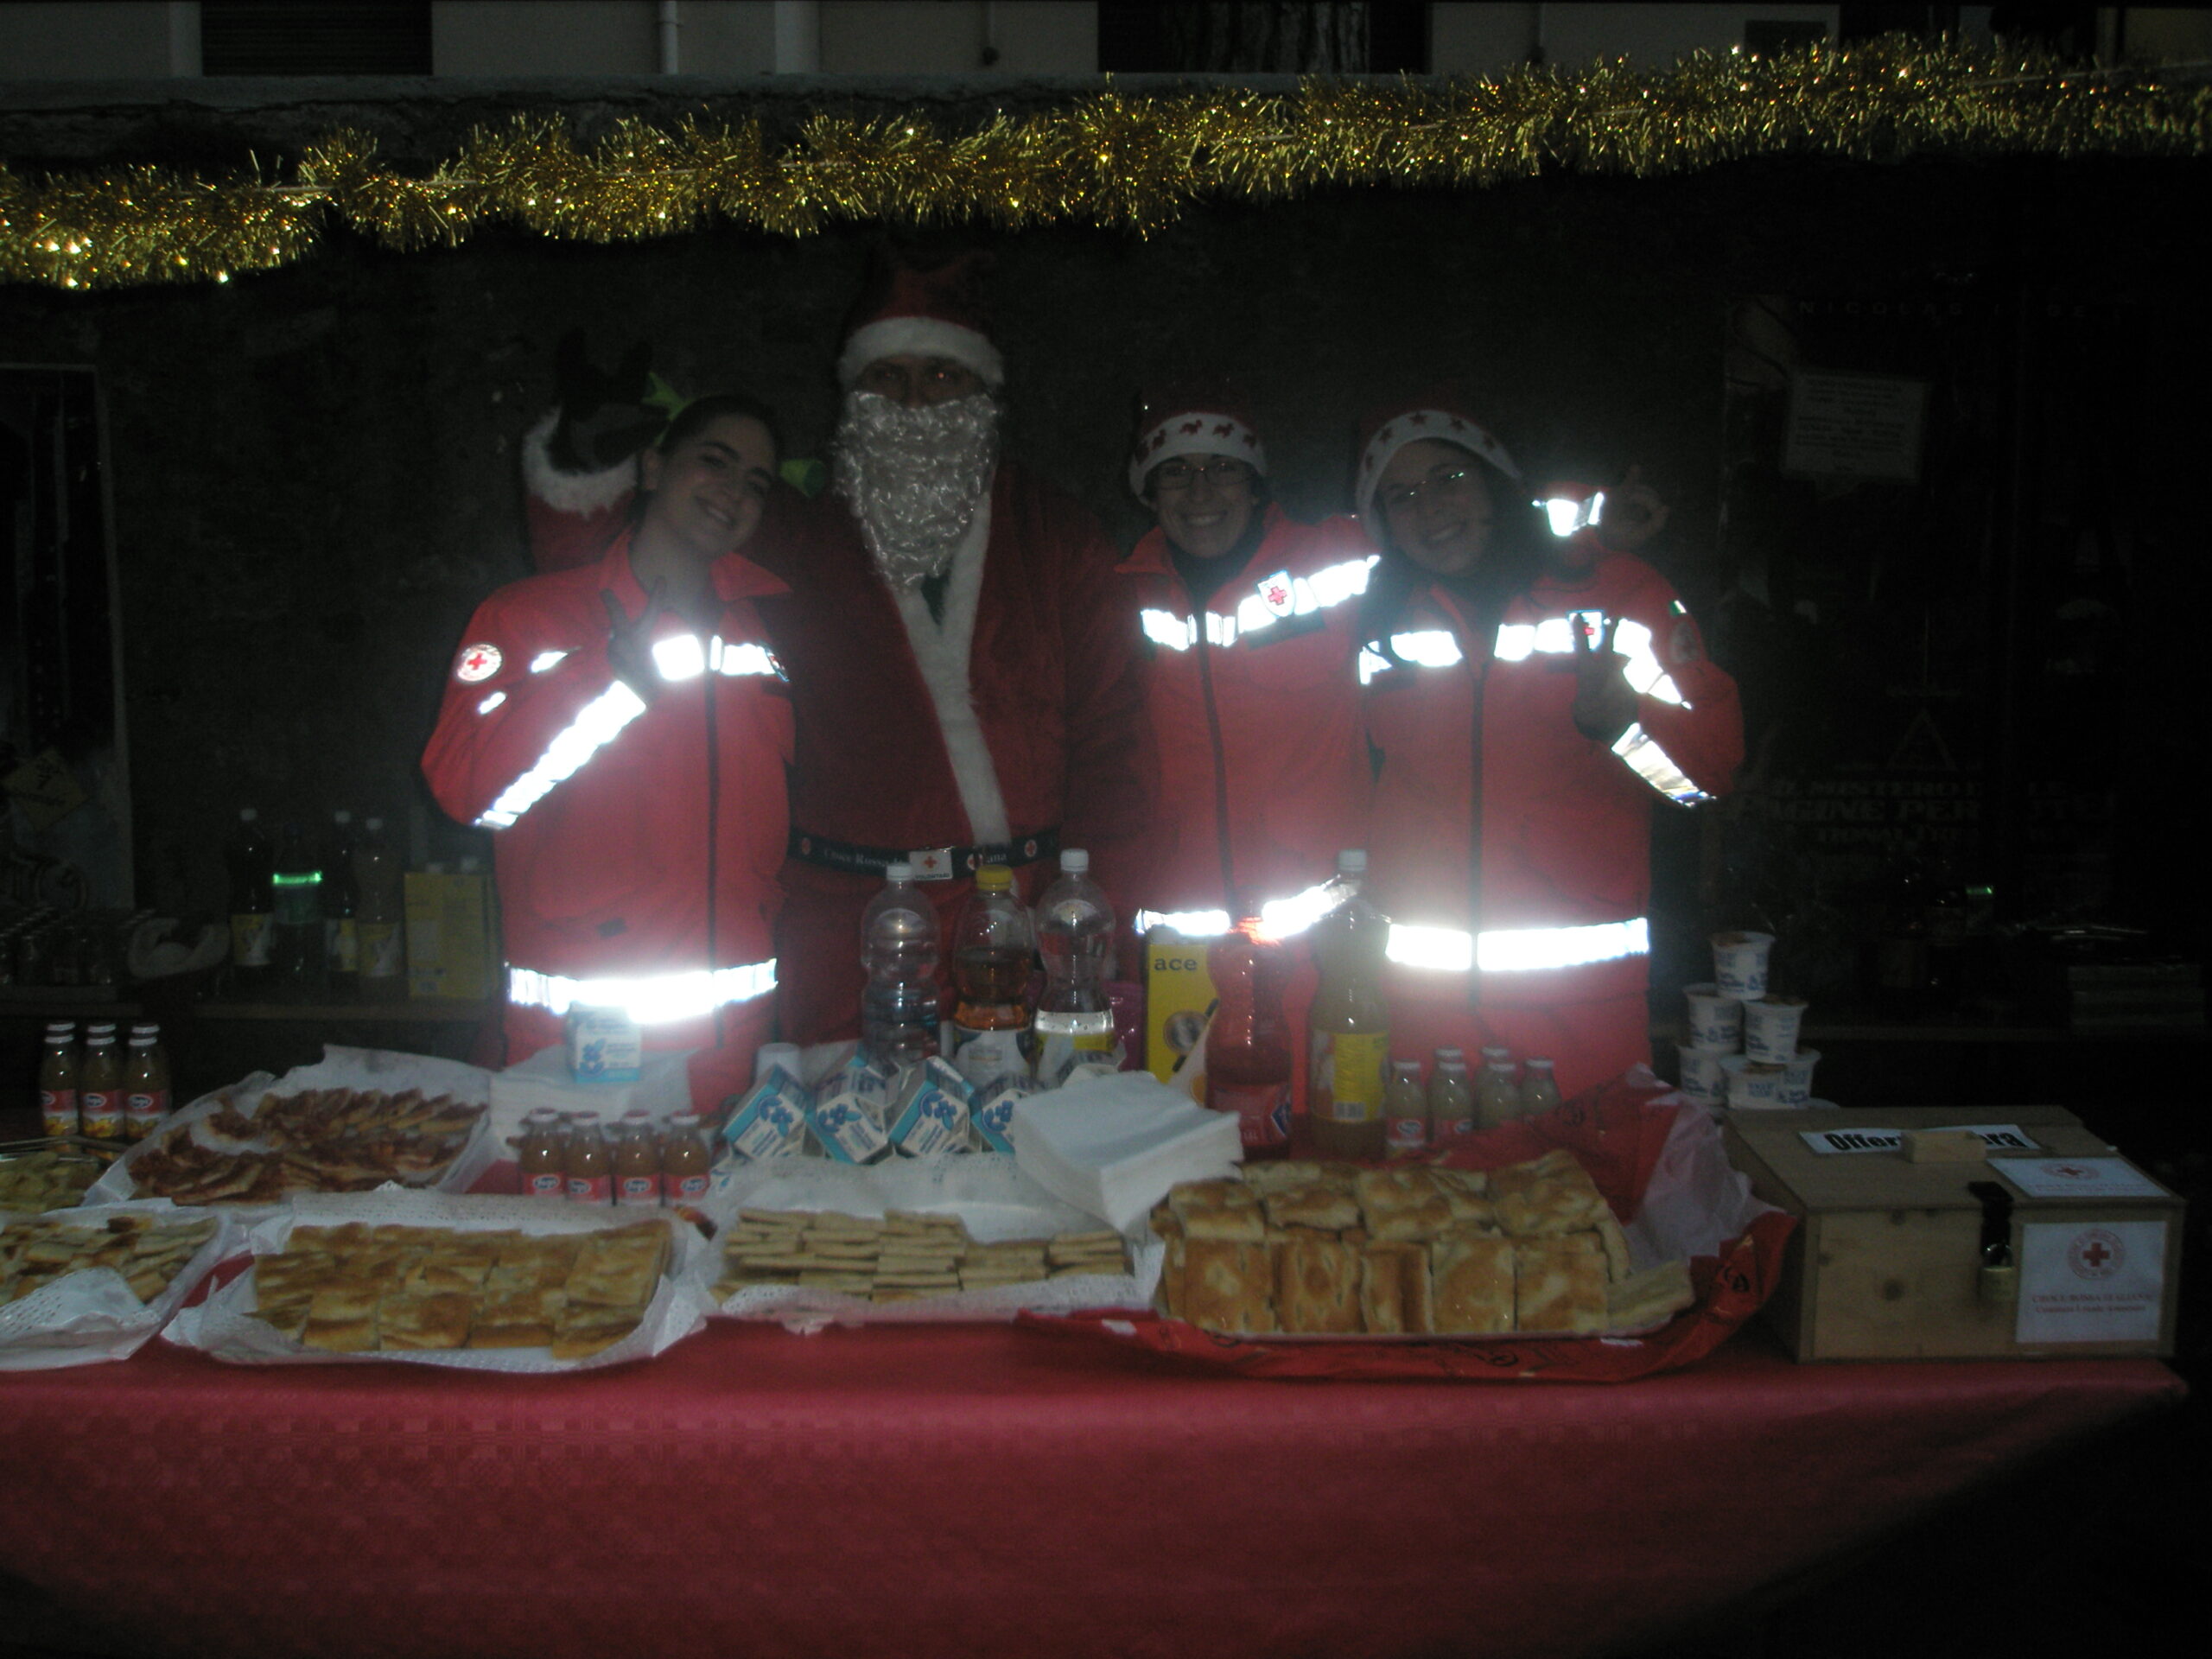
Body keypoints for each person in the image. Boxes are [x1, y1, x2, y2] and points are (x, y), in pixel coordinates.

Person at [520, 252, 1150, 1047]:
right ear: (853, 398)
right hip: (847, 932)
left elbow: (1114, 741)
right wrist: (589, 461)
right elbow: (615, 566)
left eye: (941, 378)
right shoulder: (793, 532)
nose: (913, 401)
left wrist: (1100, 920)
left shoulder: (1056, 537)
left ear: (984, 396)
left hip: (1014, 926)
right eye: (887, 378)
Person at [1351, 392, 1743, 1098]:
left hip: (1578, 1027)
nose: (1431, 508)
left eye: (1450, 477)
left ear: (1496, 482)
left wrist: (1623, 724)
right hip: (1415, 1022)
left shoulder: (1618, 596)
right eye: (1402, 495)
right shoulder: (1377, 627)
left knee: (1585, 1207)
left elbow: (1705, 778)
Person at [423, 392, 792, 1111]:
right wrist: (609, 679)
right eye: (714, 462)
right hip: (581, 1049)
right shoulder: (528, 618)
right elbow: (469, 793)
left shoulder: (759, 634)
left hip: (735, 1048)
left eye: (756, 483)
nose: (734, 492)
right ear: (654, 467)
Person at [1110, 380, 1375, 937]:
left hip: (1326, 937)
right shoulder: (1116, 599)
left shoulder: (1339, 558)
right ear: (1151, 494)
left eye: (1223, 469)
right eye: (1176, 472)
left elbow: (1462, 530)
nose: (1201, 492)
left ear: (1255, 486)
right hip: (1179, 932)